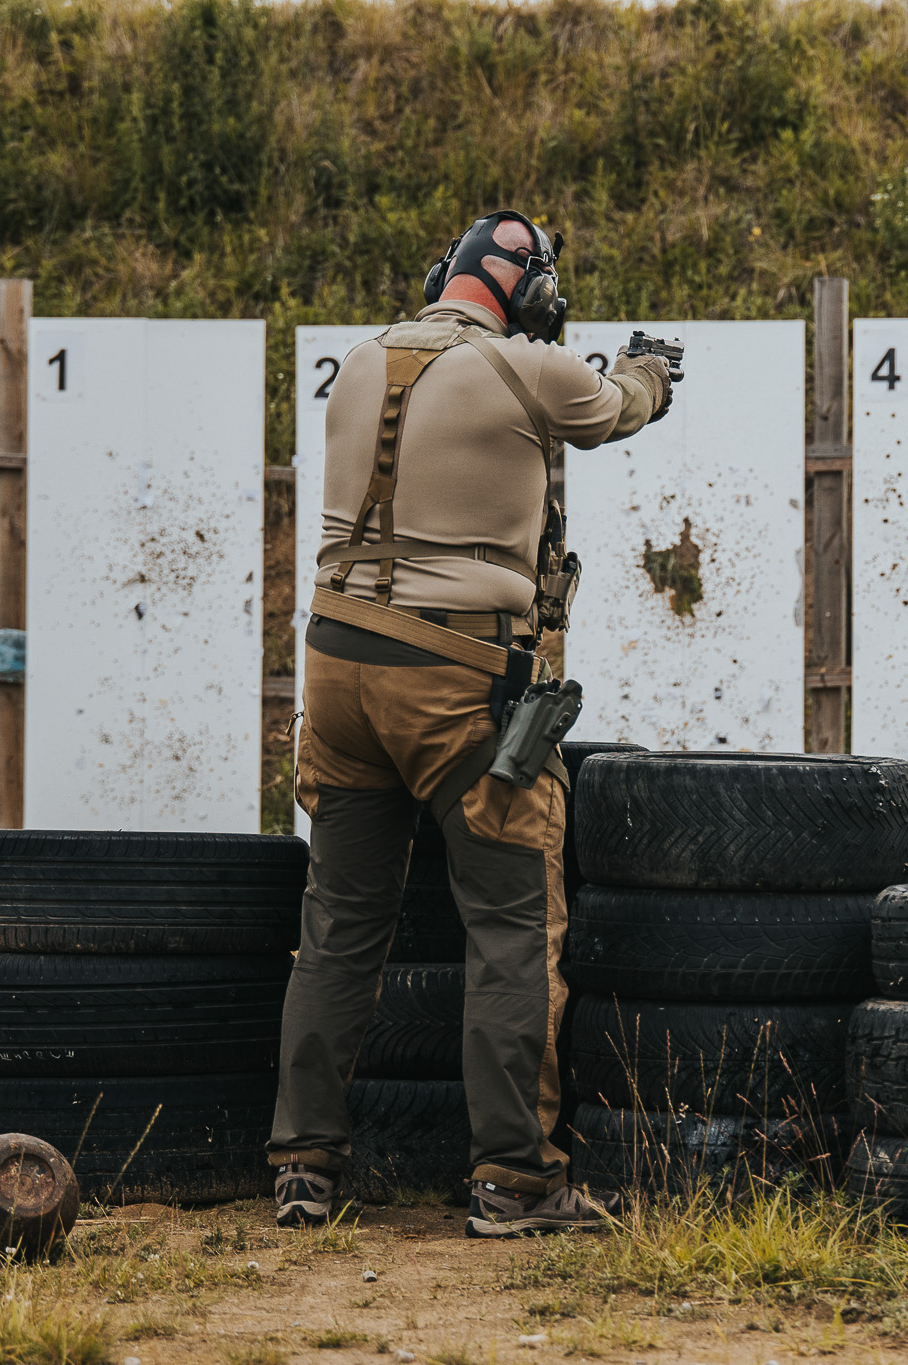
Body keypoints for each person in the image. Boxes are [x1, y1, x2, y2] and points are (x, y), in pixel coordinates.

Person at [265, 210, 674, 1237]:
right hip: (453, 679)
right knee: (508, 926)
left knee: (340, 927)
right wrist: (651, 366)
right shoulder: (531, 369)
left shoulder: (360, 362)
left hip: (337, 670)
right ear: (526, 291)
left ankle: (304, 1165)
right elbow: (618, 408)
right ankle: (515, 1182)